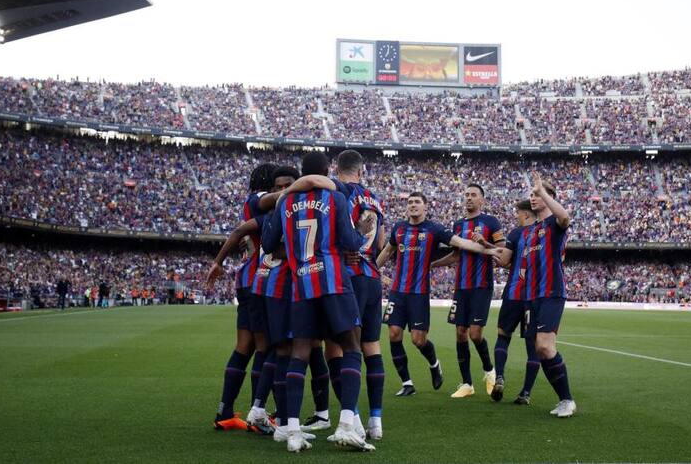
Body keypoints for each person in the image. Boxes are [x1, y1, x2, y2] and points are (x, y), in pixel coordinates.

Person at [261, 152, 376, 452]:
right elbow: (351, 243)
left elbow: (268, 244)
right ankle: (347, 425)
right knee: (351, 348)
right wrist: (362, 231)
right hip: (333, 281)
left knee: (299, 353)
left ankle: (293, 431)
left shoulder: (284, 201)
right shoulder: (334, 196)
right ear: (328, 171)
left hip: (302, 284)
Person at [375, 192, 499, 397]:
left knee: (418, 340)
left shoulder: (435, 229)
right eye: (410, 202)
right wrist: (372, 270)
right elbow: (388, 251)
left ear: (425, 207)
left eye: (417, 202)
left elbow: (461, 244)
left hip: (419, 293)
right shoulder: (398, 228)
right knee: (394, 333)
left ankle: (434, 363)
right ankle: (407, 383)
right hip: (397, 291)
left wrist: (488, 250)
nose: (413, 205)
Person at [495, 174, 575, 417]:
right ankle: (563, 399)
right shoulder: (530, 231)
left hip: (551, 292)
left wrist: (544, 193)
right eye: (531, 195)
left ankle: (567, 399)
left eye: (537, 195)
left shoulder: (553, 225)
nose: (533, 198)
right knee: (540, 349)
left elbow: (564, 217)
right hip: (531, 296)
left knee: (544, 346)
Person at [211, 163, 277, 431]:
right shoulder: (261, 199)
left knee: (245, 347)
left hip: (247, 279)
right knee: (266, 348)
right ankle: (256, 414)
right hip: (259, 279)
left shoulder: (251, 203)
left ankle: (225, 411)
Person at [431, 183, 503, 398]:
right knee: (460, 333)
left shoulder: (491, 222)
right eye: (467, 195)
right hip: (461, 287)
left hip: (481, 286)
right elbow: (455, 255)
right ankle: (466, 384)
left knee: (475, 333)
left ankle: (489, 371)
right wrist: (432, 264)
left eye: (473, 195)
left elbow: (502, 251)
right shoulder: (458, 224)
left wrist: (484, 243)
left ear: (482, 199)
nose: (469, 198)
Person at [491, 199, 541, 404]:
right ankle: (526, 393)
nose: (516, 216)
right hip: (535, 296)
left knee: (503, 336)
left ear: (526, 214)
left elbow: (503, 261)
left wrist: (489, 252)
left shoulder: (515, 233)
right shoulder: (544, 231)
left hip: (513, 293)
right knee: (533, 345)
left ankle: (500, 376)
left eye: (518, 213)